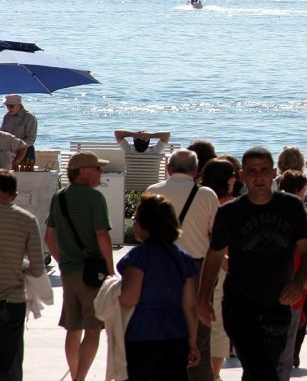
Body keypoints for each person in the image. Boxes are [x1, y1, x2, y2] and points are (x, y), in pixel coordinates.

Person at [197, 147, 307, 381]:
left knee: (261, 369)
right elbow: (214, 257)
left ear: (274, 173)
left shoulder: (290, 207)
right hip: (239, 305)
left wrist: (299, 282)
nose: (258, 177)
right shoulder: (229, 213)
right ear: (242, 175)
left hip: (279, 304)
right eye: (251, 171)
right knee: (261, 369)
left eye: (263, 170)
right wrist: (203, 299)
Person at [147, 149, 219, 381]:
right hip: (195, 269)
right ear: (196, 171)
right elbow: (216, 237)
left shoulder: (153, 192)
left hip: (160, 268)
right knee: (199, 333)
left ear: (168, 167)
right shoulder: (207, 195)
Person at [44, 152, 115, 381]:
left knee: (73, 327)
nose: (101, 172)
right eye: (97, 168)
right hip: (91, 273)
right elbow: (102, 235)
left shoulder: (59, 197)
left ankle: (76, 374)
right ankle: (80, 378)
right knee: (93, 328)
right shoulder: (95, 198)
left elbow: (49, 237)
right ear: (83, 172)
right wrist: (111, 269)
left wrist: (62, 261)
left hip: (69, 271)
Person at [118, 194, 200, 380]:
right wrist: (193, 342)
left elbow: (129, 298)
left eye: (135, 219)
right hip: (175, 334)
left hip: (141, 334)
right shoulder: (183, 259)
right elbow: (190, 305)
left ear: (146, 225)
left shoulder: (138, 257)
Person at [0, 169, 45, 380]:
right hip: (12, 299)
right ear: (14, 194)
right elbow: (37, 267)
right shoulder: (27, 220)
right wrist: (21, 264)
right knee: (11, 359)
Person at [200, 159, 237, 381]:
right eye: (232, 174)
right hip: (223, 265)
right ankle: (215, 375)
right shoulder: (231, 205)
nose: (235, 178)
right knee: (219, 324)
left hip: (196, 264)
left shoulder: (200, 199)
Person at [276, 170, 307, 380]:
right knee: (286, 348)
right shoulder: (300, 217)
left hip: (266, 289)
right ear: (299, 190)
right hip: (293, 290)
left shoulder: (267, 213)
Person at [1, 95, 36, 161]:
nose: (9, 108)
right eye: (7, 106)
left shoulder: (29, 117)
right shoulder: (7, 116)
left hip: (26, 152)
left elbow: (31, 139)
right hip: (8, 152)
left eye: (11, 106)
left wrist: (17, 147)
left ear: (19, 105)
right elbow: (2, 134)